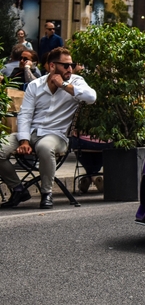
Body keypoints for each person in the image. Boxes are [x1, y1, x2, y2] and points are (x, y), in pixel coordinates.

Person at [0, 47, 97, 209]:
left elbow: (91, 97)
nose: (70, 69)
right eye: (66, 65)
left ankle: (47, 193)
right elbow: (25, 114)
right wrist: (24, 141)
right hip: (30, 133)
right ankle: (18, 189)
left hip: (56, 135)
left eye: (71, 65)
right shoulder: (35, 86)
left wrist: (65, 85)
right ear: (52, 66)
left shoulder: (75, 81)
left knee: (45, 147)